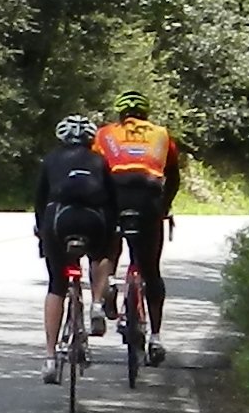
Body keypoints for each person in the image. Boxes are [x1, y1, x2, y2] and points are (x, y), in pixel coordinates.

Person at [92, 97, 186, 364]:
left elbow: (95, 171)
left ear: (121, 114)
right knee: (151, 270)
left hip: (116, 196)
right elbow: (173, 176)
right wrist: (164, 207)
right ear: (146, 113)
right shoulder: (162, 135)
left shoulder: (105, 134)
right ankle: (156, 337)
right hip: (148, 198)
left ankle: (103, 294)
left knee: (108, 249)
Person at [29, 113, 112, 381]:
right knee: (102, 255)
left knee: (57, 285)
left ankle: (50, 358)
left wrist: (41, 231)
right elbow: (112, 201)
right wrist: (113, 231)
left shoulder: (51, 160)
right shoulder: (99, 160)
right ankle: (97, 303)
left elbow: (40, 201)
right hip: (93, 221)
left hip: (59, 221)